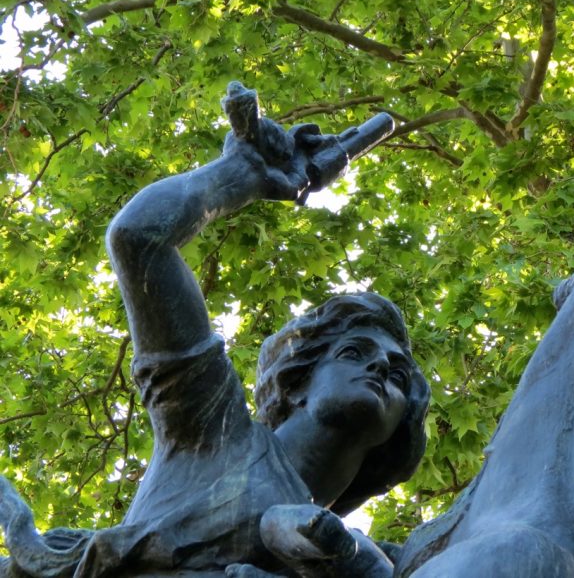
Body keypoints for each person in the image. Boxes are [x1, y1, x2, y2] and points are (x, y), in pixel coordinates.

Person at [0, 84, 429, 577]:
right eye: (354, 351)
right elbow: (140, 240)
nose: (380, 366)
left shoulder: (355, 560)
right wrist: (244, 174)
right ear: (297, 381)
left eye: (398, 375)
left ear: (400, 430)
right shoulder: (213, 430)